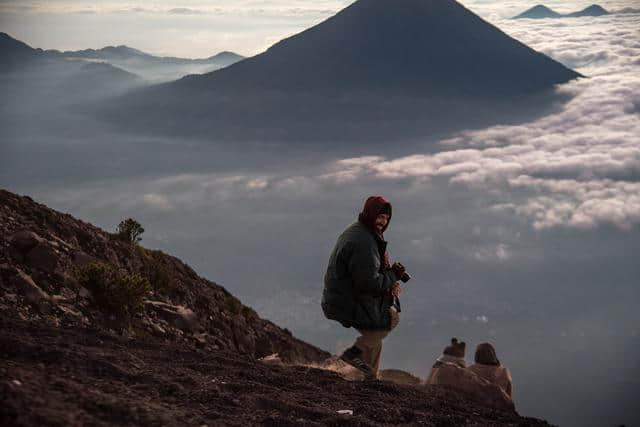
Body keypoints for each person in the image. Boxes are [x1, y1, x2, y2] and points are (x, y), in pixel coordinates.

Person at [322, 195, 406, 379]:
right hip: (345, 302)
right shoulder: (364, 243)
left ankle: (368, 377)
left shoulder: (362, 233)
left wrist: (390, 280)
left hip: (343, 296)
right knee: (389, 319)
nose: (383, 222)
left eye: (386, 218)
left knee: (374, 335)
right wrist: (392, 276)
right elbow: (369, 283)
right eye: (379, 217)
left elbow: (367, 275)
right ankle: (352, 354)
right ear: (370, 214)